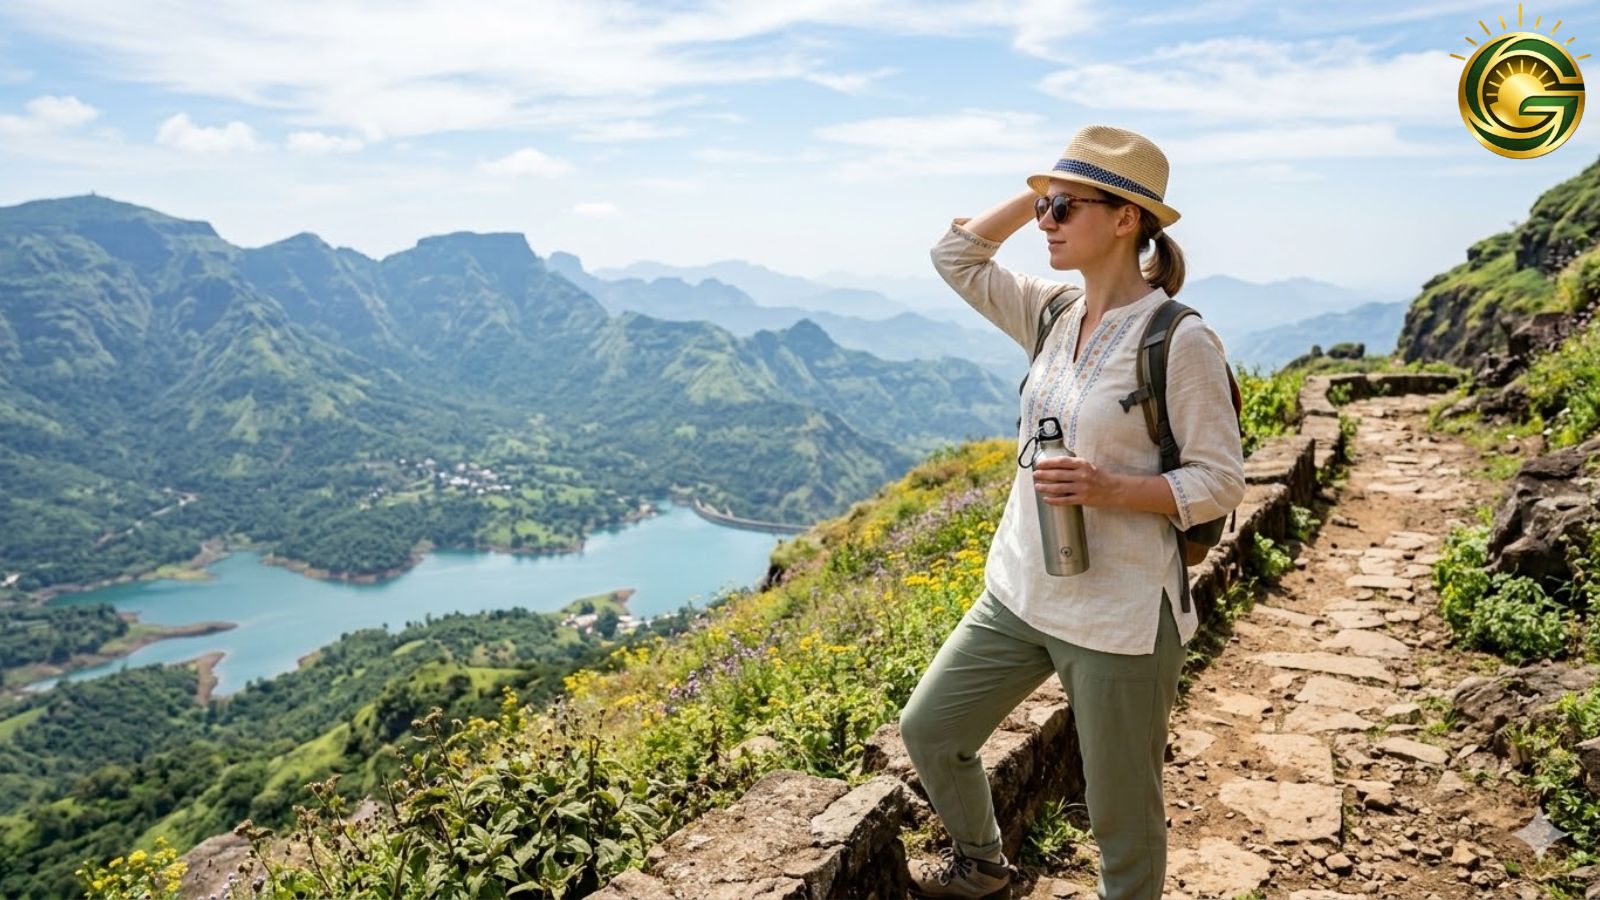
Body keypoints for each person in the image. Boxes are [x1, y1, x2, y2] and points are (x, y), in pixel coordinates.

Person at [899, 125, 1246, 899]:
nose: (1045, 223)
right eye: (1044, 207)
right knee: (931, 731)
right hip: (1022, 588)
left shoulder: (1178, 341)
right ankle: (984, 867)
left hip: (1120, 614)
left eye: (1063, 209)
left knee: (1122, 821)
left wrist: (1111, 488)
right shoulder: (1051, 313)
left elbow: (1222, 480)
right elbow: (954, 256)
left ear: (1126, 220)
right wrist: (1044, 189)